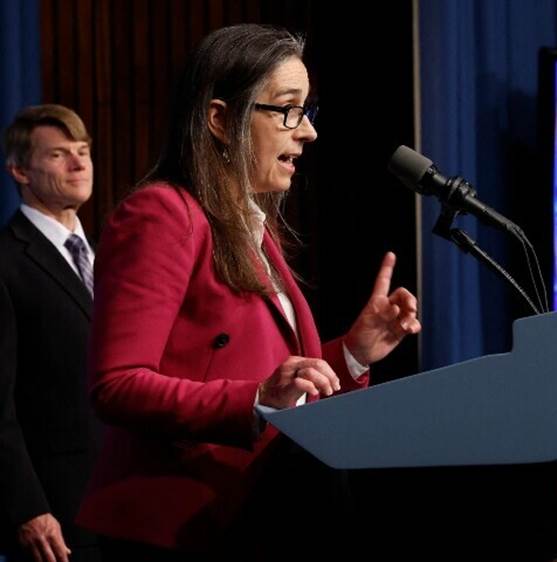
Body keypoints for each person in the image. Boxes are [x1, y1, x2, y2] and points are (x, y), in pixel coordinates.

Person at [74, 24, 420, 560]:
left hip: (262, 516)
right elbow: (117, 385)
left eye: (307, 111)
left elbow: (273, 378)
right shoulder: (163, 214)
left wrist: (352, 351)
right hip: (177, 527)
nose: (306, 132)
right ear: (220, 118)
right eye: (287, 109)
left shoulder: (253, 230)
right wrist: (255, 398)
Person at [0, 105, 100, 562]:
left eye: (83, 152)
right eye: (60, 155)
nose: (79, 164)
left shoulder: (113, 257)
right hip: (59, 513)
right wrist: (28, 507)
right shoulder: (5, 262)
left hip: (126, 500)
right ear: (20, 169)